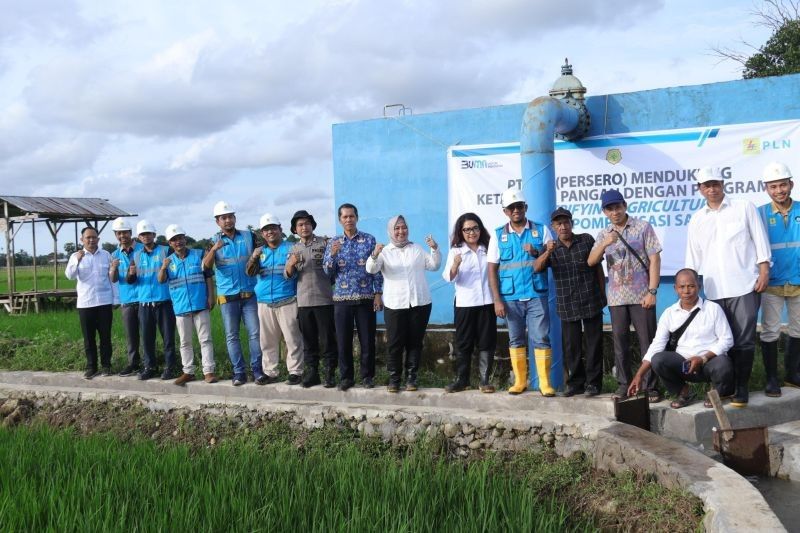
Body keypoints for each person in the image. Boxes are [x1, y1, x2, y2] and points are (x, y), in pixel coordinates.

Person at [686, 166, 771, 408]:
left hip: (744, 285)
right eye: (706, 185)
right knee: (721, 341)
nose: (711, 189)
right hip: (713, 290)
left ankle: (742, 388)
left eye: (715, 183)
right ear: (700, 189)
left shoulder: (744, 207)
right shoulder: (697, 219)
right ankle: (725, 387)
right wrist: (692, 289)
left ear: (723, 184)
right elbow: (692, 257)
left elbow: (760, 240)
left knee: (744, 341)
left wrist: (764, 270)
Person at [587, 189, 663, 403]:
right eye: (610, 209)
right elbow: (591, 261)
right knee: (620, 343)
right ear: (604, 211)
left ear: (625, 206)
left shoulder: (642, 227)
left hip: (642, 296)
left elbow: (655, 260)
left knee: (648, 342)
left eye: (618, 207)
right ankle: (624, 384)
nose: (615, 212)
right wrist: (604, 243)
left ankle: (651, 387)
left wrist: (652, 291)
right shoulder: (604, 234)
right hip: (616, 299)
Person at [629, 269, 734, 409]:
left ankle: (716, 392)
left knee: (723, 363)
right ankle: (684, 392)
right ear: (675, 289)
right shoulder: (669, 313)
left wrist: (702, 358)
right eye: (682, 287)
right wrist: (639, 375)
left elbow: (727, 340)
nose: (686, 291)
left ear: (699, 287)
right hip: (684, 366)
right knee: (658, 359)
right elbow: (656, 346)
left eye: (691, 286)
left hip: (709, 363)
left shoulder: (713, 309)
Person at [488, 187, 555, 396]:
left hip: (536, 294)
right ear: (505, 211)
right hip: (510, 297)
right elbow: (492, 269)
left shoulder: (541, 230)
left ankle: (545, 383)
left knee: (541, 338)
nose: (516, 210)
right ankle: (520, 381)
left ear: (525, 207)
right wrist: (497, 300)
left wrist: (539, 253)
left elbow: (549, 260)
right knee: (515, 339)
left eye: (519, 206)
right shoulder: (498, 235)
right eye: (511, 207)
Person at [535, 207, 606, 397]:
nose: (563, 226)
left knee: (594, 345)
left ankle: (594, 384)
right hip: (567, 304)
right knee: (571, 346)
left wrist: (603, 293)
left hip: (591, 299)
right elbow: (537, 268)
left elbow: (598, 268)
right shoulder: (550, 247)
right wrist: (547, 253)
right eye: (559, 224)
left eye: (566, 222)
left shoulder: (586, 240)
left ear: (571, 223)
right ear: (553, 227)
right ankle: (575, 383)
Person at [366, 215, 441, 392]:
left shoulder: (416, 249)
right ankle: (394, 379)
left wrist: (434, 249)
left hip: (420, 302)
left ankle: (411, 378)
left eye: (404, 227)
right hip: (395, 304)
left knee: (415, 342)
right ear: (391, 231)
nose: (401, 231)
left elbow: (434, 265)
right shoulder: (384, 251)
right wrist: (374, 255)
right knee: (395, 342)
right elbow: (371, 269)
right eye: (397, 228)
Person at [323, 203, 383, 391]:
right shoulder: (333, 243)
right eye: (345, 217)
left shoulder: (369, 240)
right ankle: (346, 378)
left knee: (367, 340)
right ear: (340, 220)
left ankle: (367, 377)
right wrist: (332, 255)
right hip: (342, 300)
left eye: (351, 216)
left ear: (357, 217)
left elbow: (377, 269)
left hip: (365, 298)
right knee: (343, 341)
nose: (348, 220)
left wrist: (378, 294)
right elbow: (327, 272)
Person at [203, 201, 263, 386]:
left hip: (249, 294)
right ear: (217, 221)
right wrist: (214, 250)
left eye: (230, 216)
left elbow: (261, 257)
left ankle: (258, 371)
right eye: (223, 218)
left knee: (255, 333)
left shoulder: (249, 236)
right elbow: (205, 266)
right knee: (232, 336)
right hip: (227, 297)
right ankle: (239, 373)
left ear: (235, 218)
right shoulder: (212, 241)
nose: (228, 220)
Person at [246, 214, 304, 385]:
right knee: (267, 340)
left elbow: (298, 271)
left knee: (292, 338)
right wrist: (254, 257)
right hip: (264, 301)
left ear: (280, 229)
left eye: (273, 228)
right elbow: (249, 272)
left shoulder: (292, 248)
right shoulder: (260, 252)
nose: (270, 232)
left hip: (287, 299)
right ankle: (270, 372)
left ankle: (295, 371)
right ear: (262, 233)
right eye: (266, 230)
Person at [442, 213, 497, 393]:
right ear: (461, 231)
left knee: (486, 342)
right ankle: (462, 380)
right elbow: (448, 278)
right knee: (464, 342)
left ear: (480, 229)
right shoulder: (456, 251)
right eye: (467, 229)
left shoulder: (488, 248)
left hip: (487, 302)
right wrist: (455, 265)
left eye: (474, 228)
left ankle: (484, 380)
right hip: (465, 303)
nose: (471, 232)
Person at [758, 161, 800, 393]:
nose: (779, 191)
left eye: (782, 185)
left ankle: (793, 374)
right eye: (773, 187)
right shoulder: (760, 214)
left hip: (798, 280)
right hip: (772, 282)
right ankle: (771, 379)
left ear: (791, 184)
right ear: (766, 189)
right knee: (770, 331)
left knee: (798, 329)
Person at [158, 224, 217, 385]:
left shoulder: (198, 255)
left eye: (180, 238)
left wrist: (211, 296)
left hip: (200, 303)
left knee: (205, 339)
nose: (178, 242)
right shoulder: (168, 261)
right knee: (185, 342)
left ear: (185, 238)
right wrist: (163, 268)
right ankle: (188, 372)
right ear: (170, 243)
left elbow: (208, 275)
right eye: (174, 240)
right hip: (181, 307)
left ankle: (208, 371)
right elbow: (161, 280)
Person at [286, 210, 338, 388]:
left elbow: (334, 269)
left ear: (312, 225)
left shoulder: (325, 243)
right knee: (308, 341)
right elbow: (288, 275)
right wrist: (291, 264)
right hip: (304, 302)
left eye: (307, 223)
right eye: (300, 225)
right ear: (295, 229)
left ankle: (330, 373)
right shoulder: (293, 249)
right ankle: (313, 373)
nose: (304, 227)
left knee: (328, 340)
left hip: (324, 300)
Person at [65, 226, 115, 379]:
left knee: (105, 337)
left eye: (94, 237)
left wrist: (116, 299)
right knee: (89, 338)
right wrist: (77, 260)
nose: (91, 240)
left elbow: (113, 279)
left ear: (98, 239)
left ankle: (106, 366)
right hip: (86, 303)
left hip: (105, 302)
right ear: (82, 240)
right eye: (88, 238)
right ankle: (91, 367)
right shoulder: (75, 256)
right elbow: (70, 276)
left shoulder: (107, 255)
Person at [133, 220, 177, 380]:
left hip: (164, 301)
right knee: (147, 338)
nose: (146, 236)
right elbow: (132, 278)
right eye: (143, 234)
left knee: (168, 338)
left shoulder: (166, 251)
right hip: (144, 303)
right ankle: (149, 366)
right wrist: (131, 274)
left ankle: (170, 367)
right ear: (139, 237)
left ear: (154, 235)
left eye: (148, 234)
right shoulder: (136, 256)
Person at [109, 217, 142, 377]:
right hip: (127, 300)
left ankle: (150, 363)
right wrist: (114, 268)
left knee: (148, 333)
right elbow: (114, 279)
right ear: (116, 235)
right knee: (131, 335)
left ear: (131, 233)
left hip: (144, 298)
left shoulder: (142, 249)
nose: (122, 236)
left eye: (125, 233)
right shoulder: (114, 255)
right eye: (119, 233)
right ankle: (133, 363)